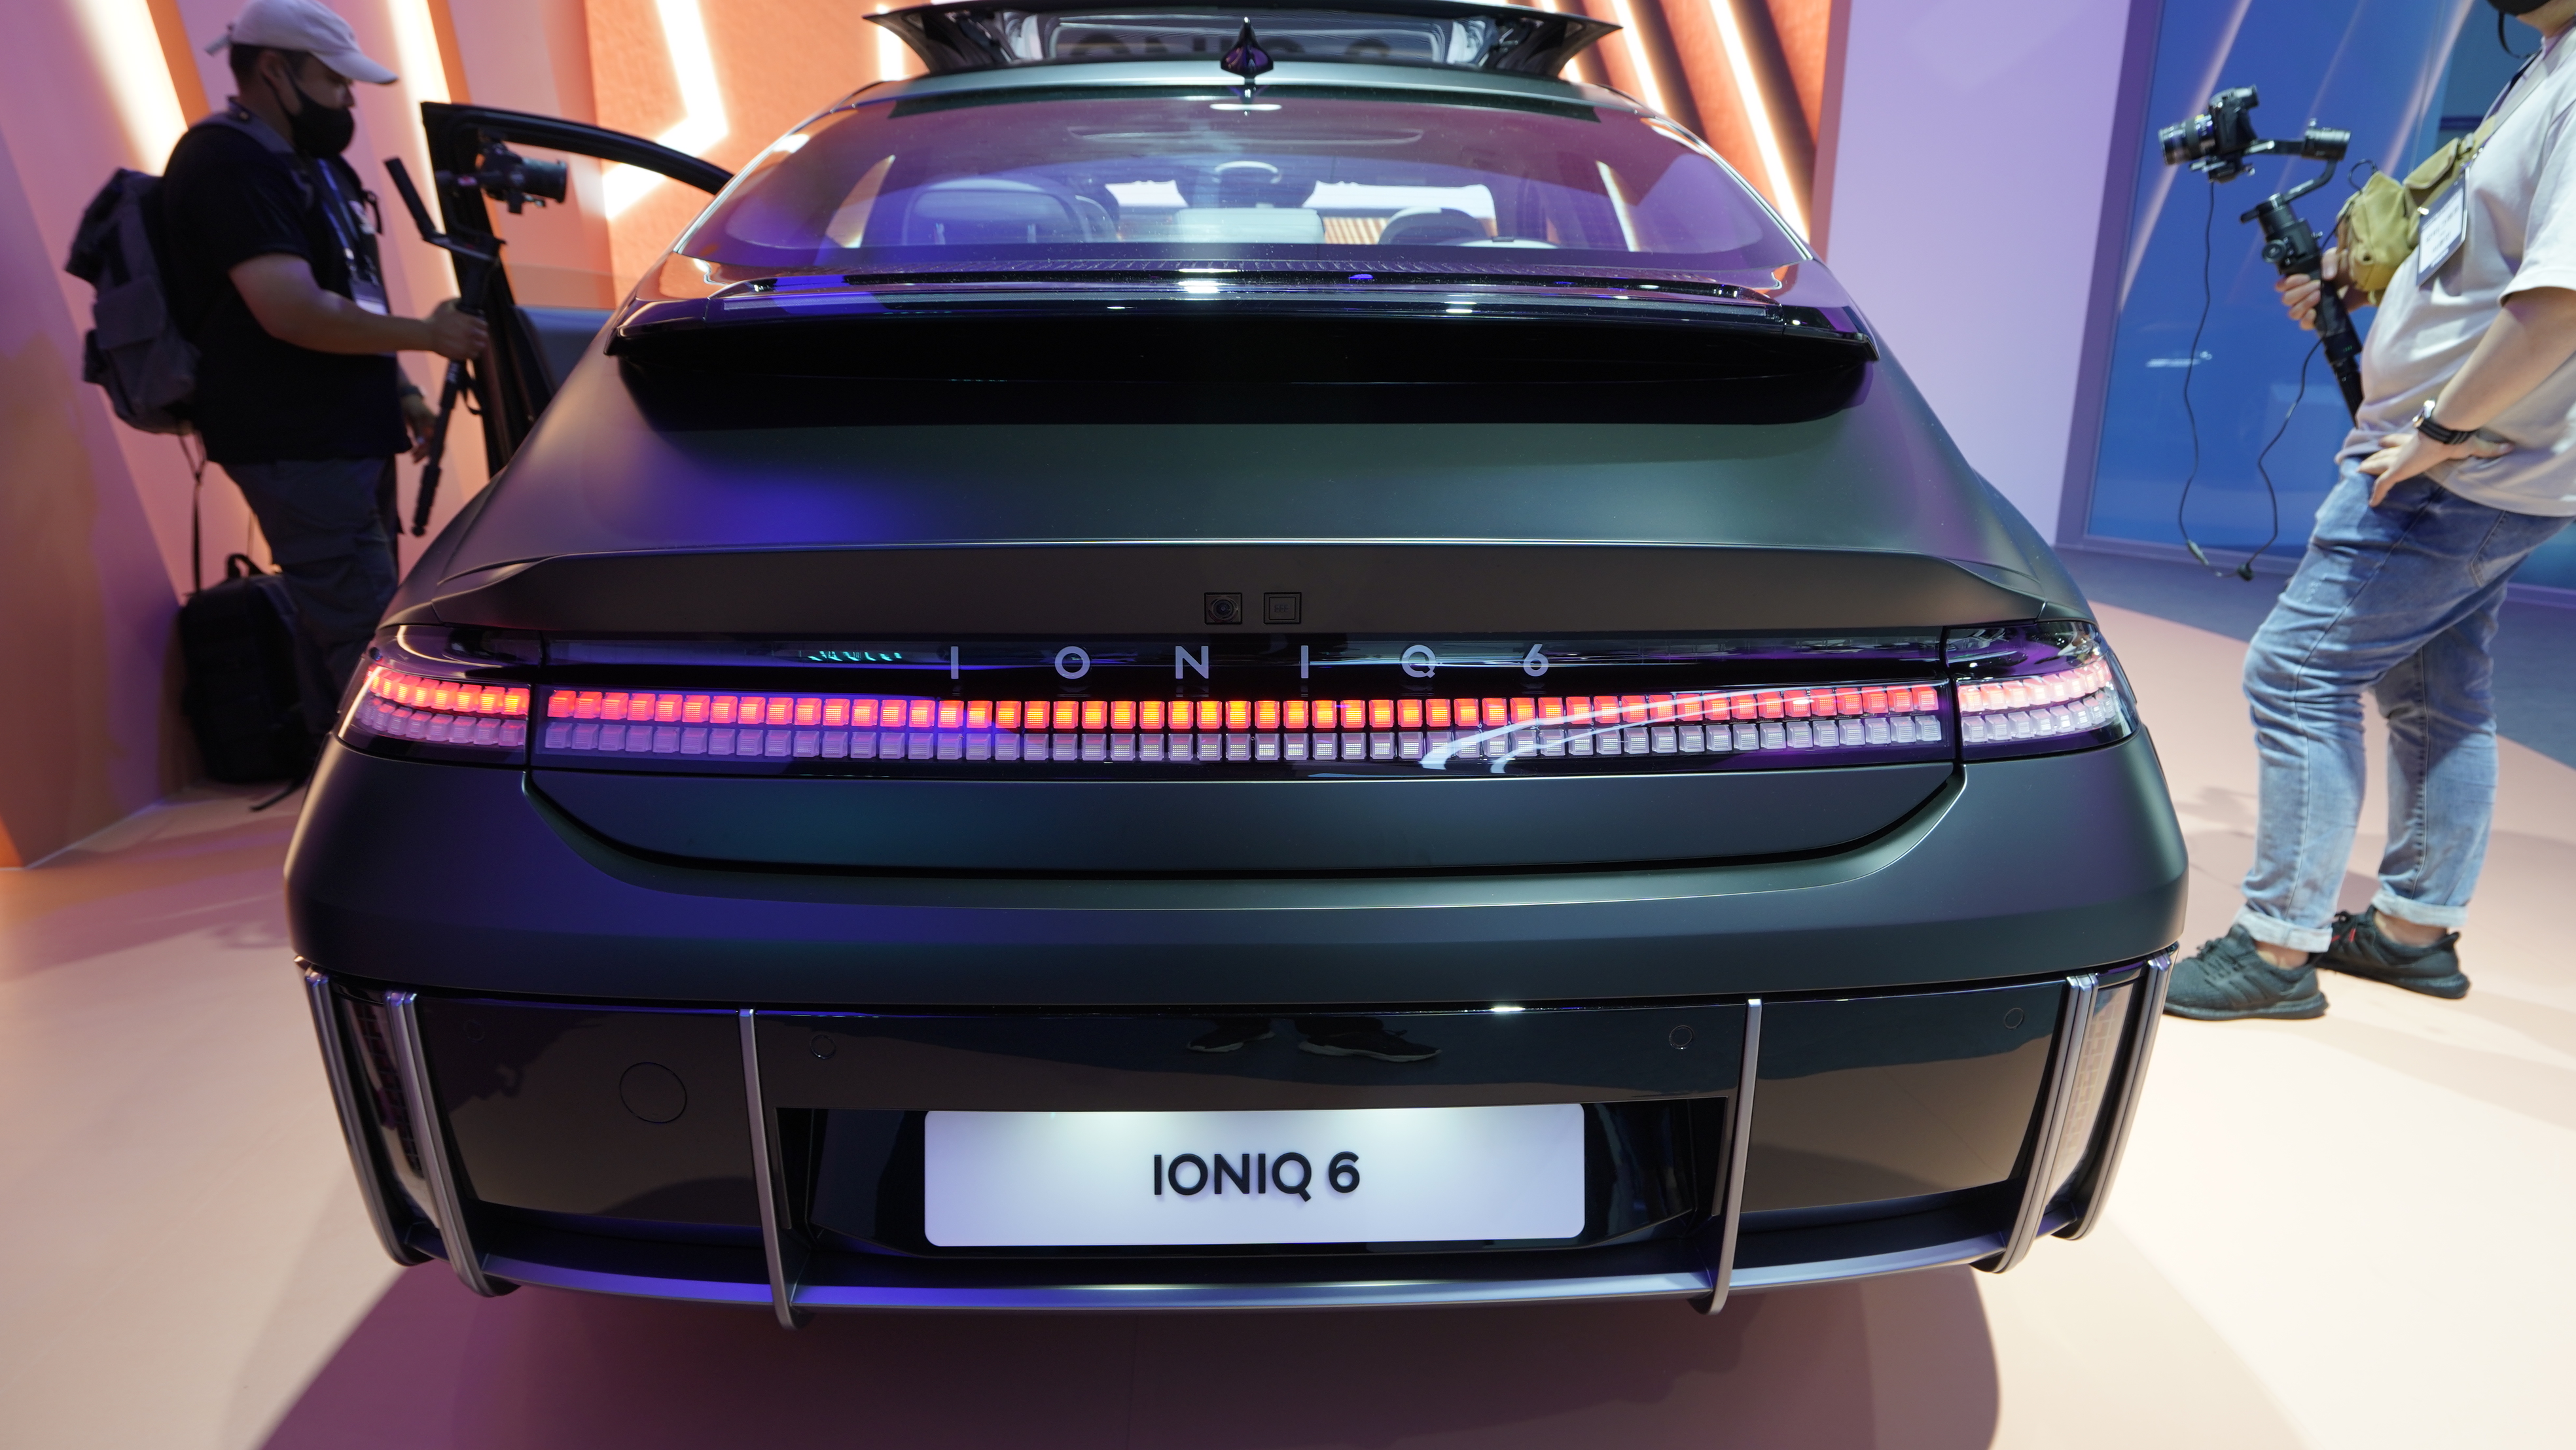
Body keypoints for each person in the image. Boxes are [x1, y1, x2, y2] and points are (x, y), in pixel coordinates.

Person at [2167, 0, 2576, 1020]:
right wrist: (2358, 283)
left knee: (2296, 672)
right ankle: (2412, 931)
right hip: (2476, 465)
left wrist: (2438, 432)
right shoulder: (2548, 65)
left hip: (2455, 470)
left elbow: (2561, 301)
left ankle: (2276, 949)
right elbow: (2490, 256)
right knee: (2437, 691)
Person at [160, 0, 487, 741]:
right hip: (297, 442)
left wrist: (401, 389)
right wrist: (429, 337)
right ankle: (391, 795)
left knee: (342, 627)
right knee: (366, 640)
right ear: (275, 71)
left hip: (345, 434)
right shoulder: (228, 162)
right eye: (336, 81)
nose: (348, 100)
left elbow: (349, 296)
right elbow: (290, 309)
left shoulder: (310, 163)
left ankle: (333, 776)